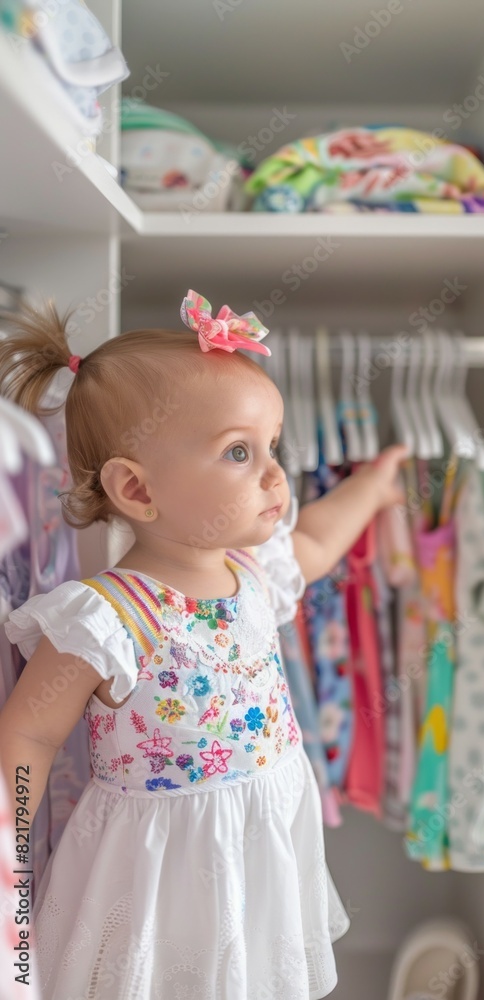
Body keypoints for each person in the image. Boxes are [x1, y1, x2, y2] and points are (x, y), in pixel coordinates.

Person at [0, 291, 407, 1000]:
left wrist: (370, 490)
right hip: (159, 870)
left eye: (272, 447)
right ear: (136, 487)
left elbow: (312, 541)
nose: (276, 475)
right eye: (239, 452)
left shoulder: (252, 570)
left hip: (261, 845)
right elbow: (29, 734)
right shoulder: (104, 619)